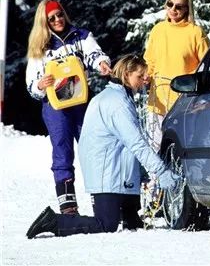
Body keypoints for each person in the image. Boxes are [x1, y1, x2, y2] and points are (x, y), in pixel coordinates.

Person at [26, 54, 182, 239]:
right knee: (106, 224)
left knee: (133, 223)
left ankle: (130, 213)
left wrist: (139, 170)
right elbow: (137, 144)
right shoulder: (116, 103)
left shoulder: (119, 96)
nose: (144, 81)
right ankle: (55, 221)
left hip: (119, 170)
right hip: (107, 173)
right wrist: (161, 171)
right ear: (126, 74)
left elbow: (126, 142)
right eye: (139, 76)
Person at [26, 0, 112, 215]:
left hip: (82, 101)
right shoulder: (40, 48)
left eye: (59, 15)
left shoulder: (80, 35)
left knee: (95, 148)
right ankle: (68, 205)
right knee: (62, 151)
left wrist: (101, 63)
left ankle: (103, 197)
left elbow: (94, 53)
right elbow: (31, 84)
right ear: (44, 22)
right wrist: (40, 84)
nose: (57, 20)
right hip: (56, 107)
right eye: (51, 18)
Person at [143, 0, 209, 152]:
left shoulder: (195, 32)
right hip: (158, 99)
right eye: (170, 4)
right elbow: (149, 61)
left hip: (183, 102)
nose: (173, 9)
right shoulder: (158, 30)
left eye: (179, 6)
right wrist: (146, 76)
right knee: (156, 146)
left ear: (187, 9)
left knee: (182, 146)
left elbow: (206, 64)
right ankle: (157, 178)